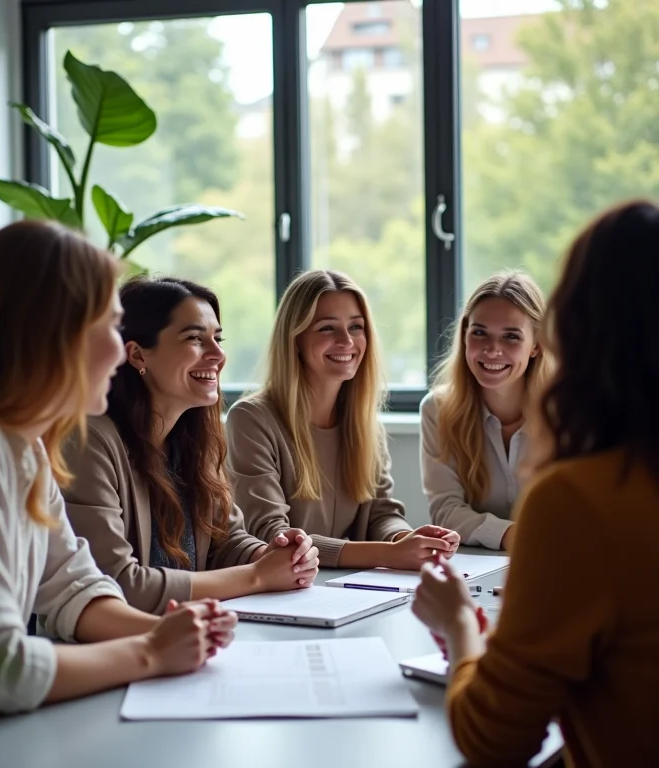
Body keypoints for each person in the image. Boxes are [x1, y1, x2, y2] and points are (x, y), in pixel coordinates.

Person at [0, 221, 235, 718]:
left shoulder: (23, 445)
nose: (121, 351)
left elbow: (73, 587)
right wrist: (151, 652)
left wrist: (169, 631)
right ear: (54, 335)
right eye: (108, 329)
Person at [412, 200, 659, 766]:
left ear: (564, 331)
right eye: (480, 335)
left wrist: (455, 623)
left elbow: (494, 739)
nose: (493, 352)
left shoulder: (579, 498)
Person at [62, 276, 319, 614]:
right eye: (195, 339)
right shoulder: (89, 440)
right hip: (113, 649)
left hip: (189, 637)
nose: (218, 354)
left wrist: (276, 555)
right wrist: (258, 575)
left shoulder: (194, 439)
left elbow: (224, 541)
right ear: (138, 355)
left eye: (217, 338)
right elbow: (117, 583)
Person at [227, 269, 459, 569]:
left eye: (356, 327)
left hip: (351, 590)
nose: (346, 341)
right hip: (282, 593)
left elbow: (381, 514)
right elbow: (275, 538)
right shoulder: (251, 419)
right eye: (327, 328)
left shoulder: (364, 423)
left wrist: (407, 539)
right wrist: (389, 554)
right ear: (295, 338)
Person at [420, 272, 552, 550]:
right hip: (476, 567)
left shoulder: (569, 411)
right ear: (465, 336)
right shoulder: (438, 409)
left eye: (511, 337)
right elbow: (446, 510)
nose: (492, 350)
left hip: (557, 557)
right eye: (479, 333)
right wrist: (517, 536)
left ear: (536, 345)